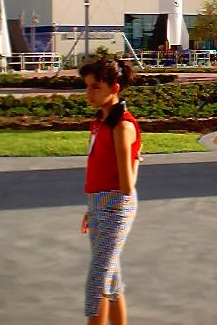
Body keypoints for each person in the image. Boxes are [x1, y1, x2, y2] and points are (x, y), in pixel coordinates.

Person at [79, 58, 142, 325]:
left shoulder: (121, 126)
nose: (89, 93)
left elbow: (126, 186)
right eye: (87, 87)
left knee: (97, 283)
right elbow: (100, 168)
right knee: (111, 280)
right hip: (97, 206)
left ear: (114, 88)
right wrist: (91, 208)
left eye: (96, 87)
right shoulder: (100, 121)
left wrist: (137, 160)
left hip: (116, 208)